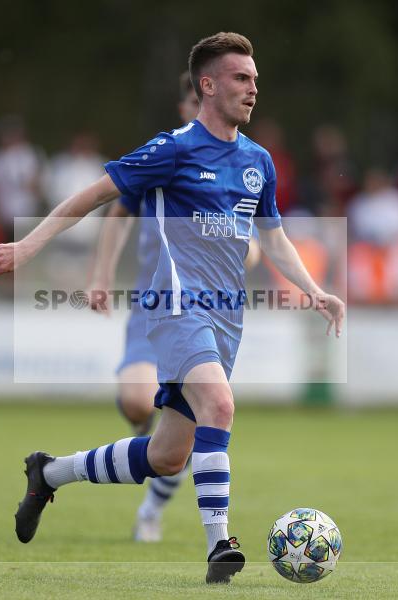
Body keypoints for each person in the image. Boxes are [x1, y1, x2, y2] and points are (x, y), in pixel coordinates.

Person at [0, 32, 345, 584]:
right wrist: (30, 244)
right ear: (208, 84)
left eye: (255, 81)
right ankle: (221, 546)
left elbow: (272, 238)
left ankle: (50, 473)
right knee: (220, 406)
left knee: (170, 455)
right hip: (174, 304)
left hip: (226, 318)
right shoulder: (173, 148)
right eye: (241, 79)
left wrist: (313, 289)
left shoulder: (258, 161)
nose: (252, 90)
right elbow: (96, 196)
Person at [87, 72, 260, 543]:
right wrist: (101, 276)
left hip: (205, 313)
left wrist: (230, 243)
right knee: (135, 402)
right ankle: (149, 449)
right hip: (154, 307)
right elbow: (116, 213)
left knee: (196, 417)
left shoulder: (235, 174)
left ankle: (151, 510)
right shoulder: (164, 159)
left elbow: (258, 244)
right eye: (187, 100)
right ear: (190, 105)